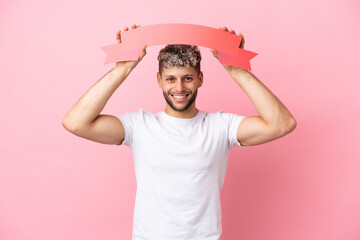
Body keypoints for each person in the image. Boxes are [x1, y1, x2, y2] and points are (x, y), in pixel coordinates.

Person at [62, 24, 296, 240]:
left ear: (200, 79)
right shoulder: (140, 126)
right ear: (159, 81)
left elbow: (282, 124)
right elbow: (76, 123)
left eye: (187, 78)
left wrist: (237, 70)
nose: (179, 88)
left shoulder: (221, 126)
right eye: (171, 79)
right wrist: (122, 70)